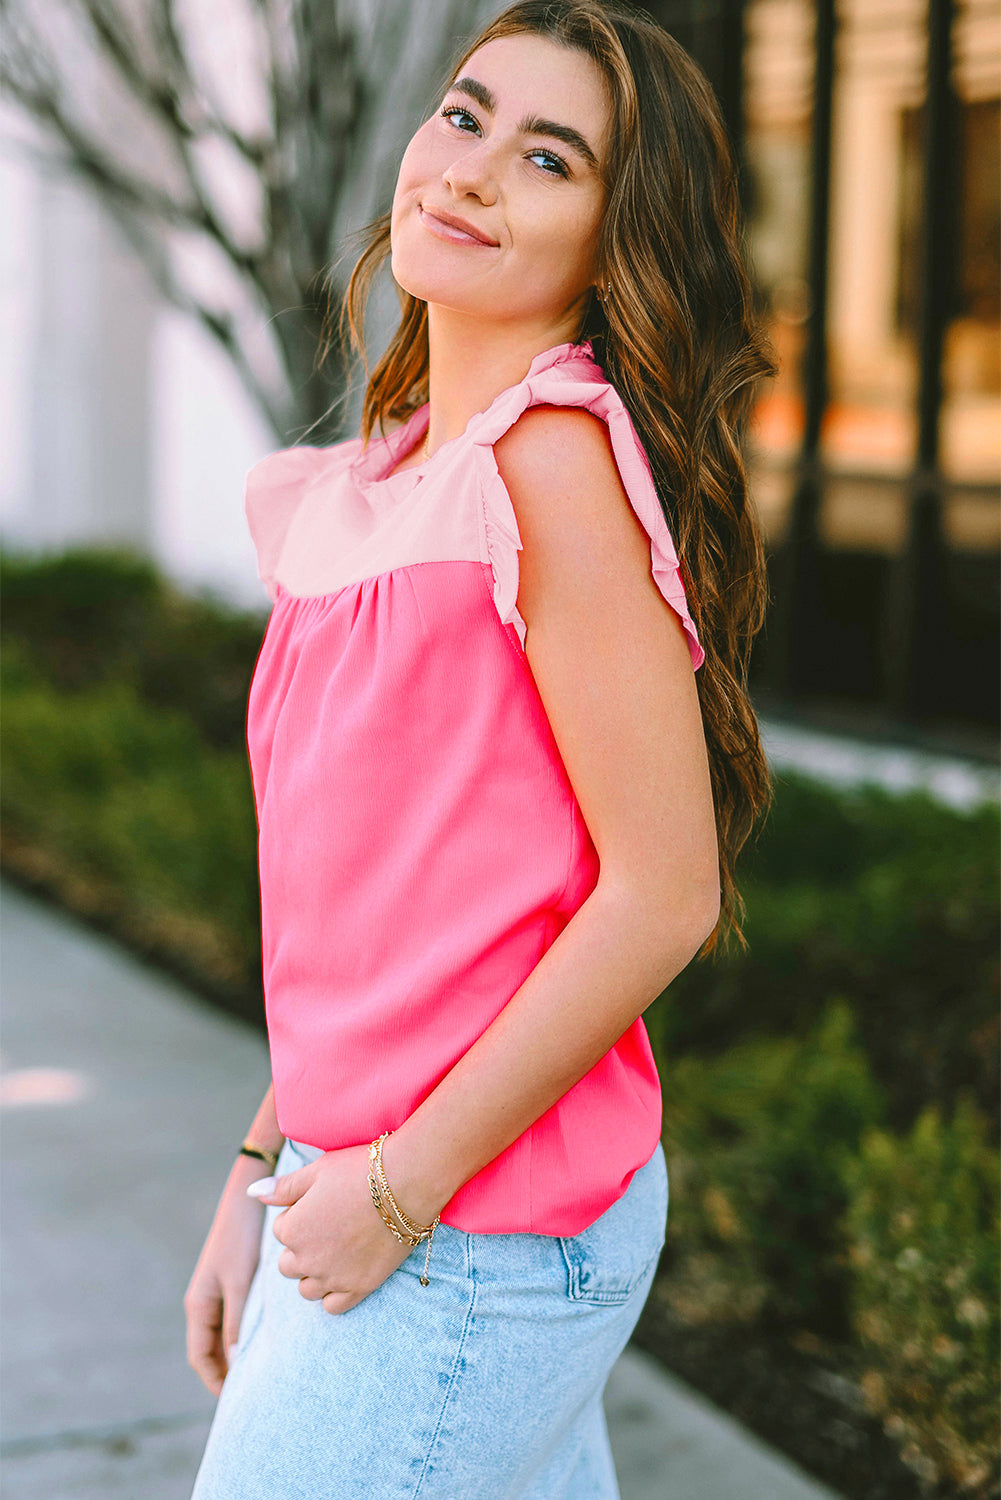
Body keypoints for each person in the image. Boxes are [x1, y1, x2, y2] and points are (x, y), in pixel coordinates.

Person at [185, 2, 777, 1496]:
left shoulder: (551, 465)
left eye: (546, 156)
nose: (470, 171)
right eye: (464, 115)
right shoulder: (385, 483)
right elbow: (369, 917)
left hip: (474, 1233)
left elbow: (664, 892)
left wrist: (392, 1186)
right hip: (395, 1197)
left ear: (612, 240)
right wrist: (261, 1174)